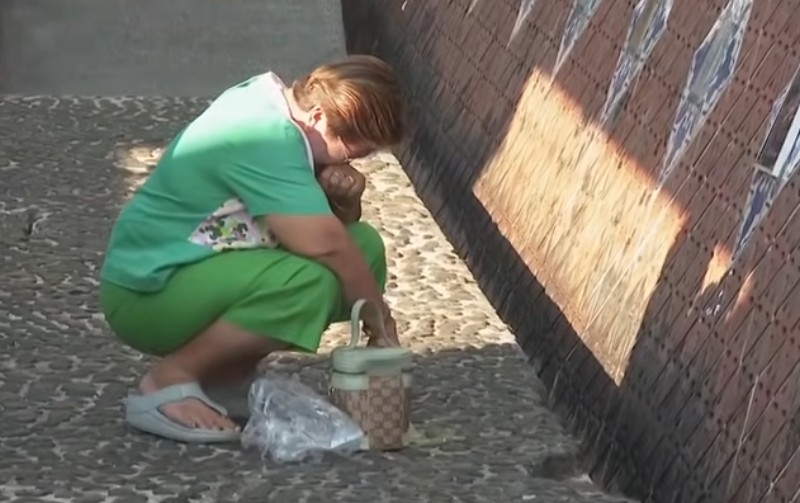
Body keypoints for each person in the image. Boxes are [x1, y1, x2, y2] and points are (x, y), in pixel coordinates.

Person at [99, 55, 406, 443]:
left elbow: (328, 233)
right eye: (354, 148)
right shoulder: (264, 137)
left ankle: (226, 375)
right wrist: (381, 322)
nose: (355, 158)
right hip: (146, 292)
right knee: (307, 281)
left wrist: (343, 200)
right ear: (317, 116)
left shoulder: (270, 103)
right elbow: (326, 246)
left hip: (196, 269)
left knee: (363, 248)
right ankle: (168, 379)